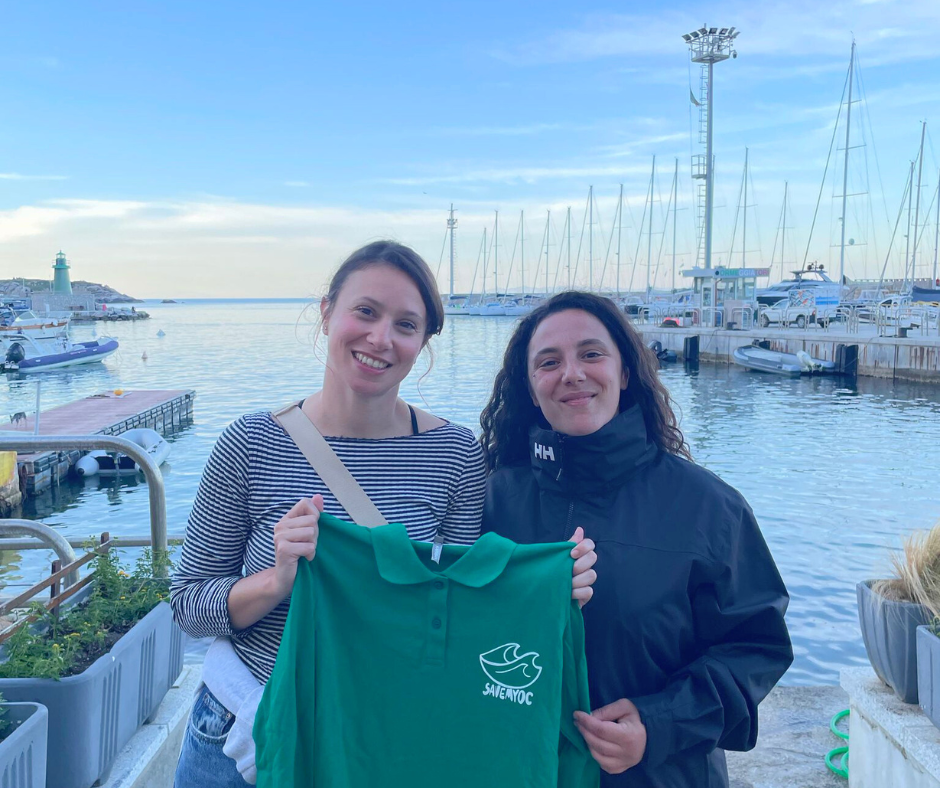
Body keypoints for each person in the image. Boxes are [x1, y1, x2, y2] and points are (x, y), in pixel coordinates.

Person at [170, 242, 596, 788]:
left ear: (423, 342)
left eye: (406, 324)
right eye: (365, 312)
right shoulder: (251, 444)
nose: (380, 339)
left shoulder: (458, 456)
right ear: (327, 313)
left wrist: (553, 583)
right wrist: (276, 581)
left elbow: (456, 610)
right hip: (240, 728)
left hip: (371, 737)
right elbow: (187, 605)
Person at [479, 291, 792, 787]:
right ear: (531, 386)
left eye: (591, 354)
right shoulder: (489, 502)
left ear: (625, 373)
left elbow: (757, 647)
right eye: (549, 362)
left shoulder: (709, 508)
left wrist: (659, 723)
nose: (572, 374)